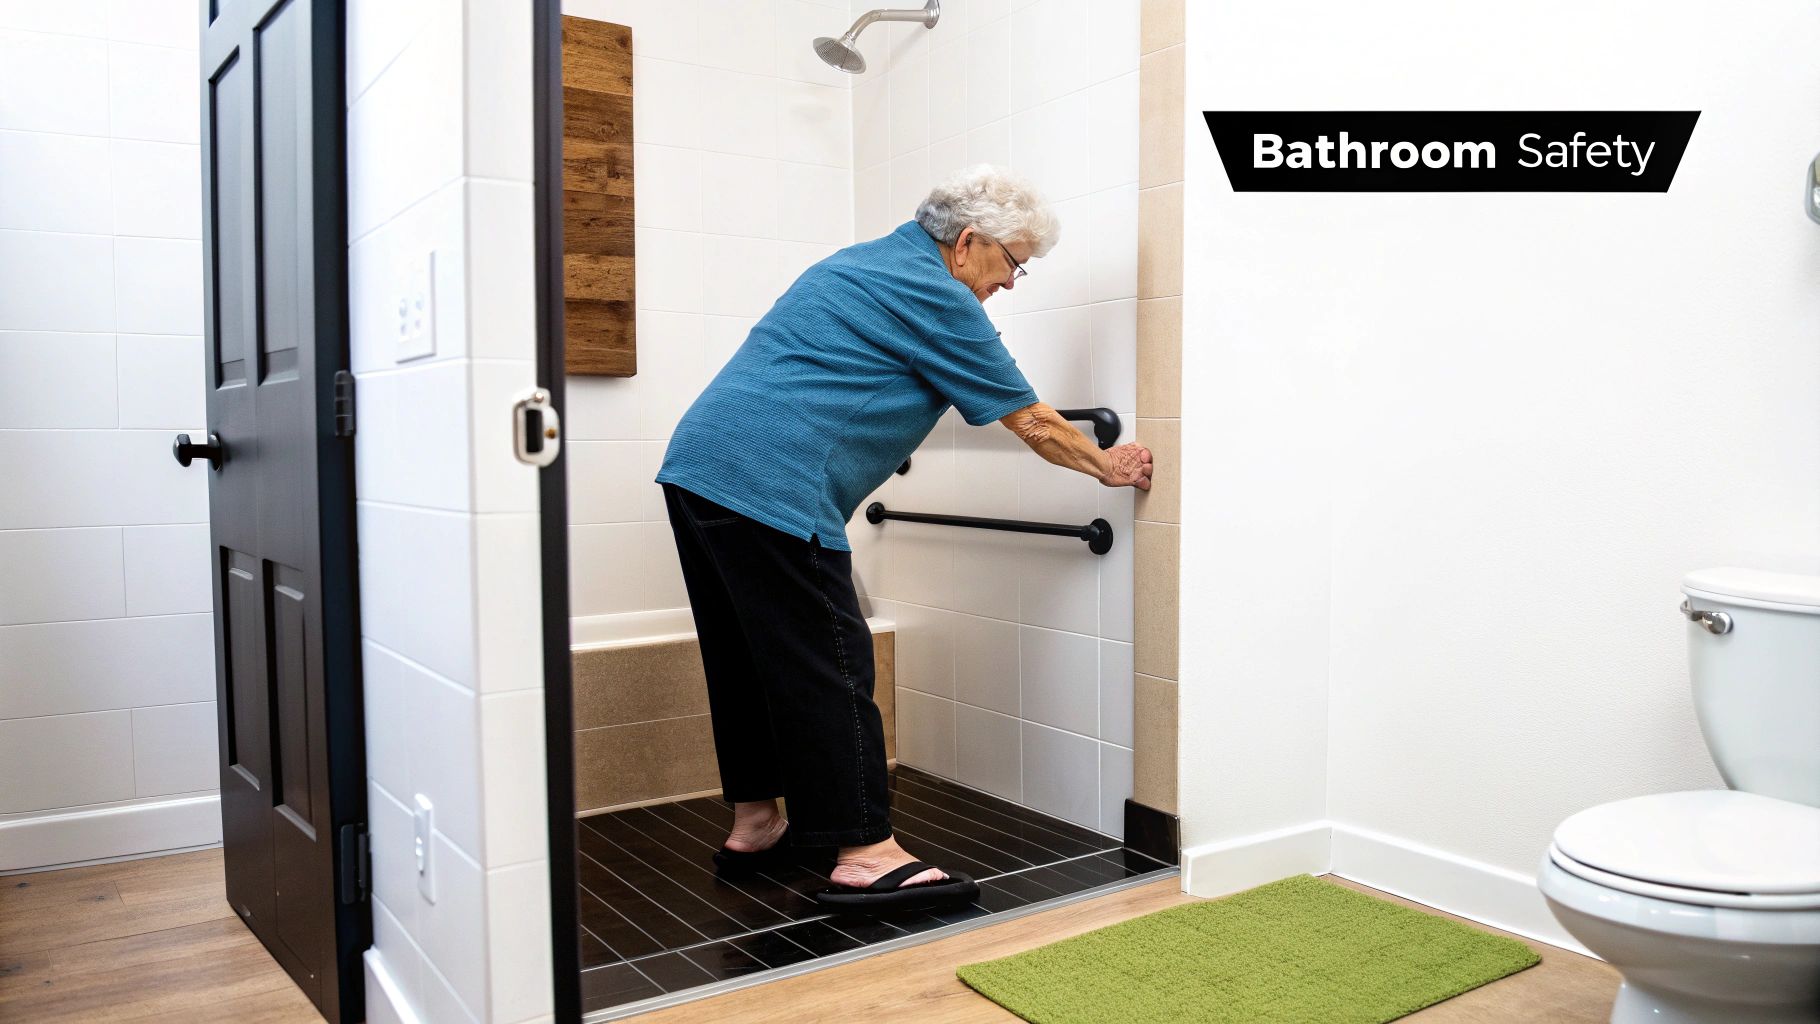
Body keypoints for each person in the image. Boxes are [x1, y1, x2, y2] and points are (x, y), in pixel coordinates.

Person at [655, 165, 1153, 911]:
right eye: (1014, 262)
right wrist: (1107, 467)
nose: (1014, 282)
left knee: (748, 658)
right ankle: (862, 853)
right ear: (969, 242)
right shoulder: (935, 294)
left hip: (701, 467)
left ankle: (757, 824)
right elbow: (1035, 421)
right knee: (831, 660)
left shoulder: (862, 263)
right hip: (772, 482)